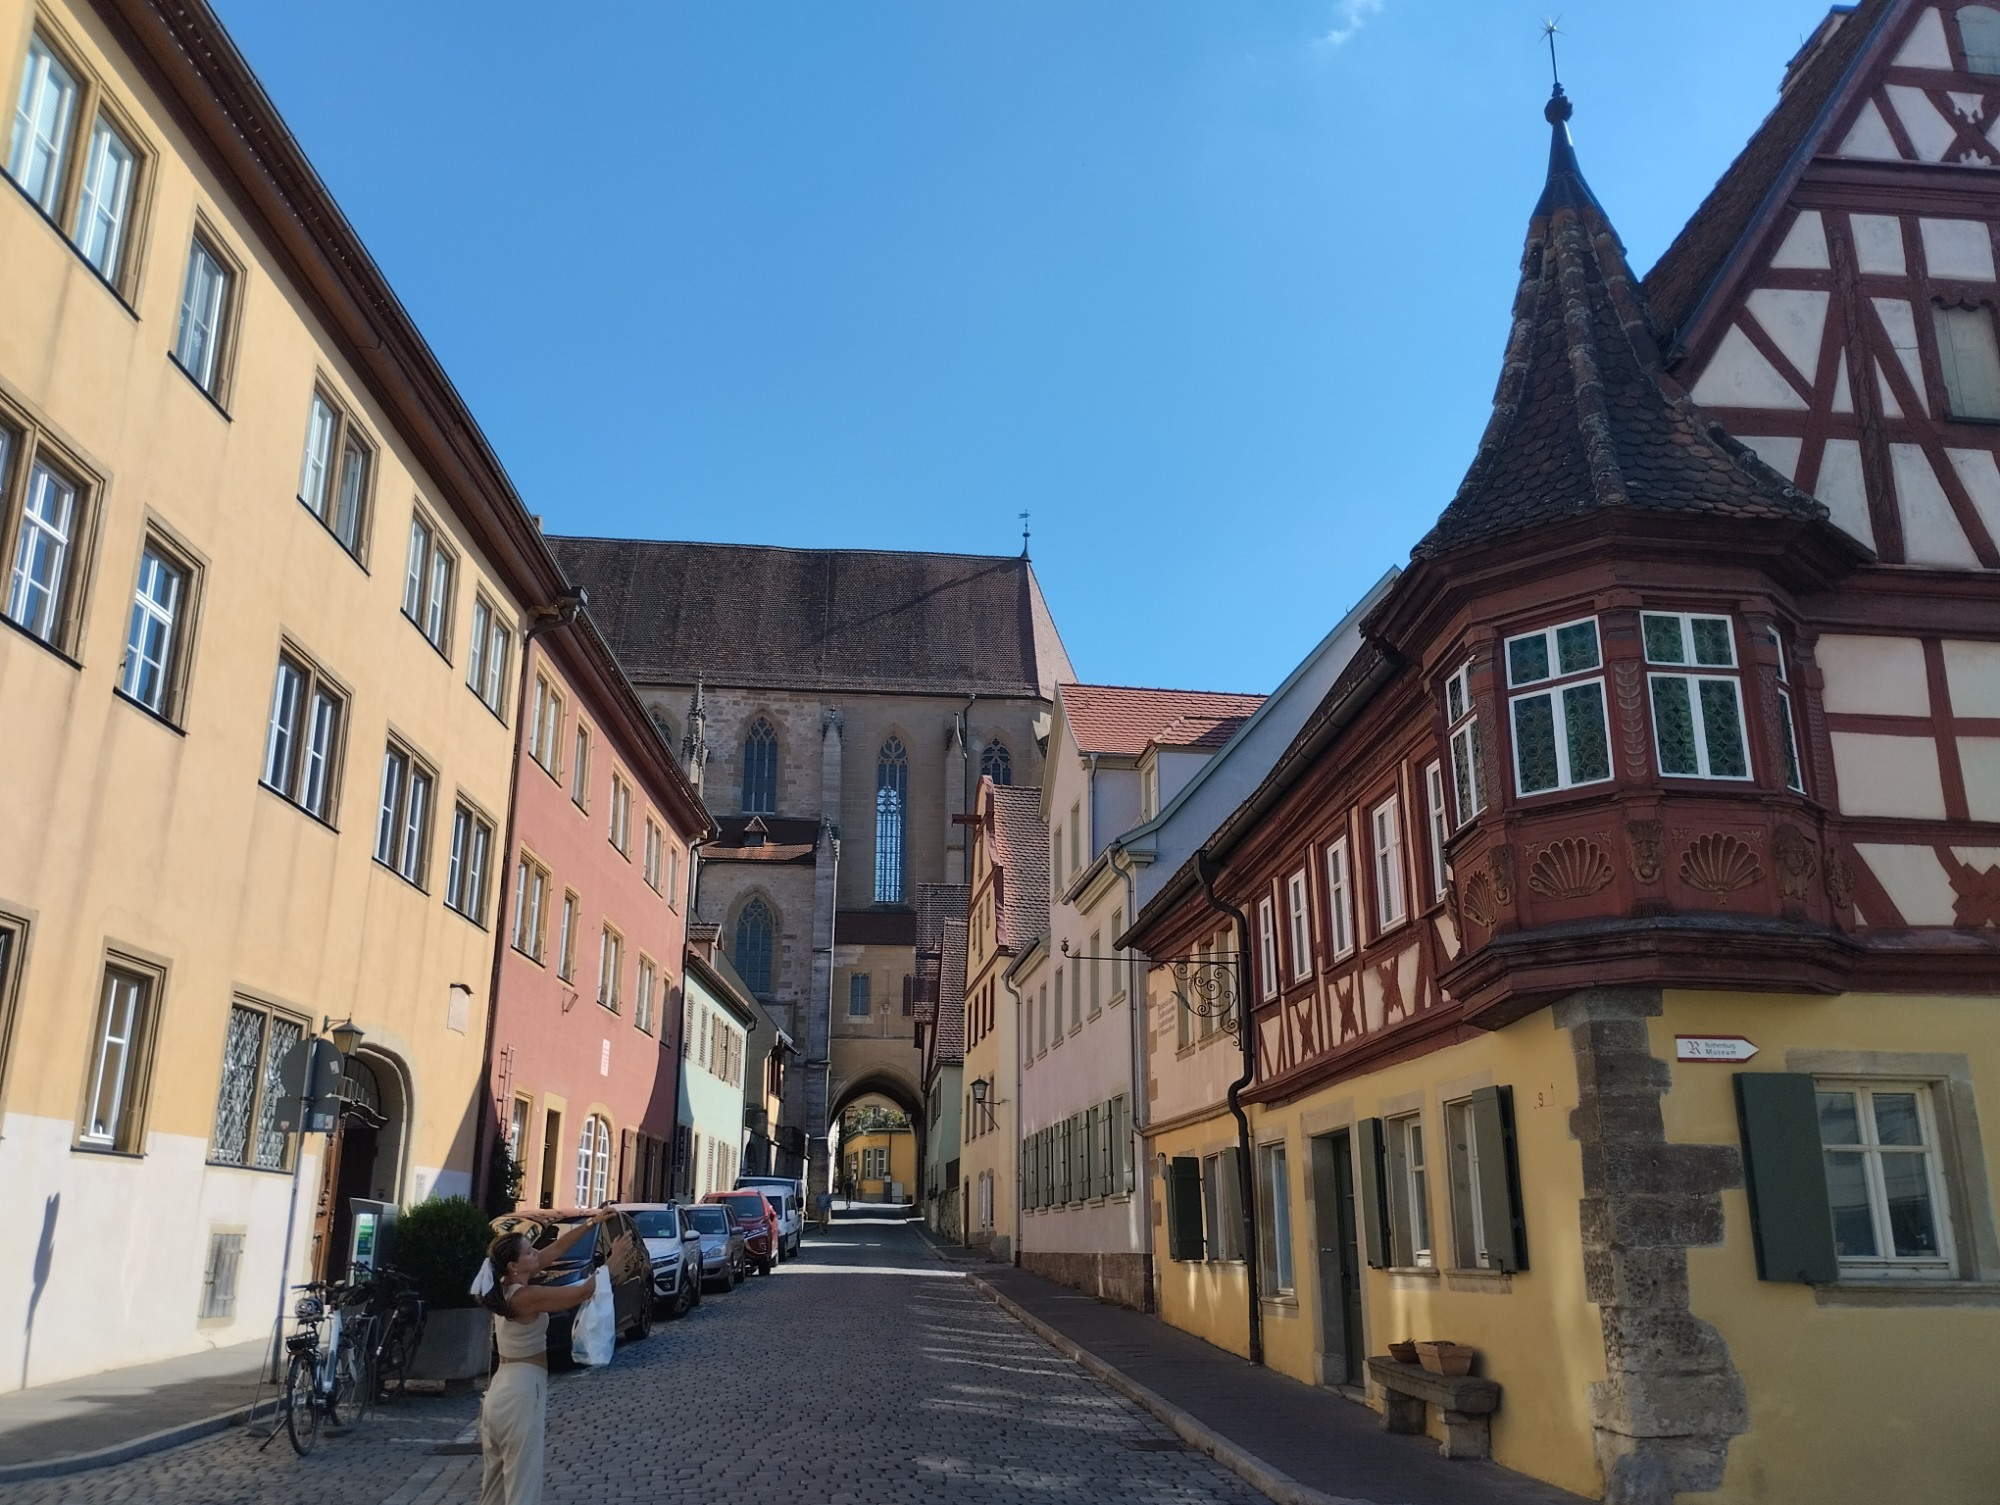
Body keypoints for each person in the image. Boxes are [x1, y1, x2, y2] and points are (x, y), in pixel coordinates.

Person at [476, 1208, 614, 1505]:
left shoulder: (505, 1288)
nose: (536, 1254)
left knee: (495, 1489)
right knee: (522, 1483)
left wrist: (592, 1223)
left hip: (501, 1391)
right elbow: (580, 1293)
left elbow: (555, 1250)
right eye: (529, 1252)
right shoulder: (526, 1297)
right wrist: (613, 1265)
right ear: (515, 1266)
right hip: (521, 1391)